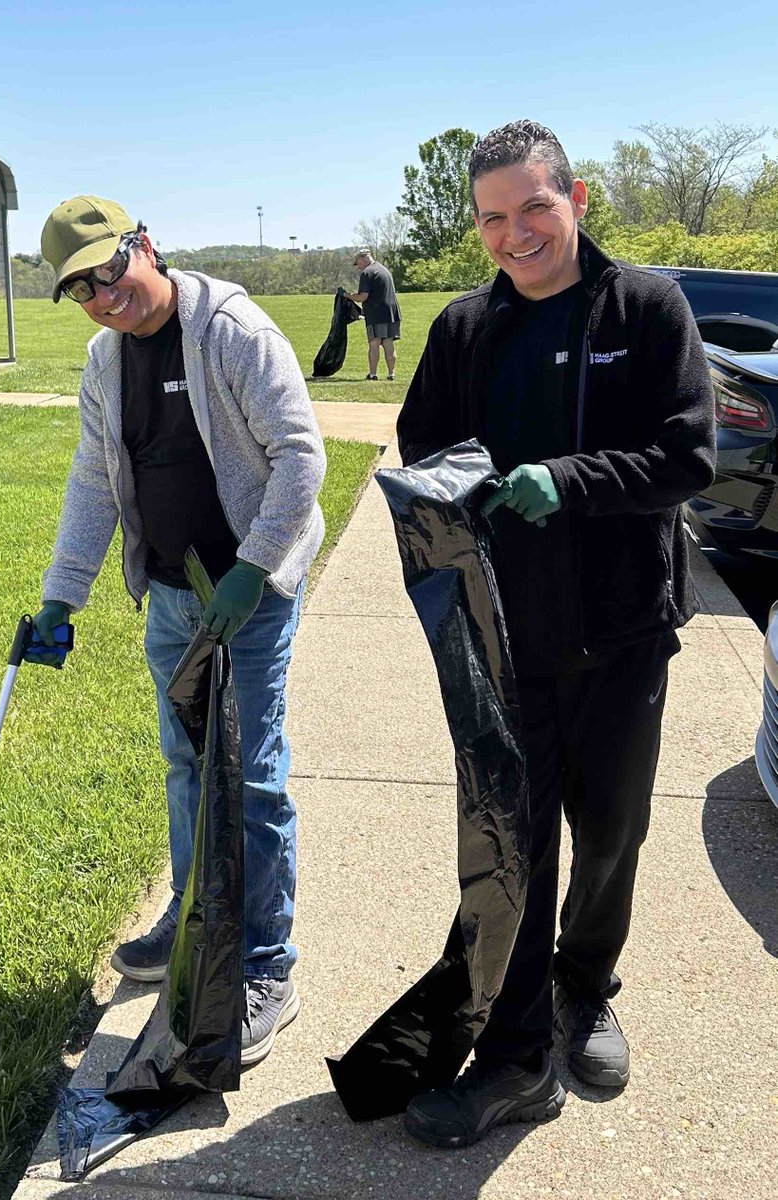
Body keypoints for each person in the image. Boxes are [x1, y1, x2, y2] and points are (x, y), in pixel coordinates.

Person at [396, 121, 715, 1148]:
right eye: (492, 217)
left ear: (573, 196)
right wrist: (466, 484)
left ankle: (587, 985)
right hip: (505, 645)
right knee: (514, 846)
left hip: (624, 634)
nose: (514, 233)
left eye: (533, 206)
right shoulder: (463, 329)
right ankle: (519, 1050)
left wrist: (567, 483)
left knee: (612, 834)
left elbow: (687, 456)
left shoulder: (647, 307)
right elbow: (421, 442)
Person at [33, 196, 326, 1067]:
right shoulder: (104, 359)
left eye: (109, 269)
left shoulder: (230, 327)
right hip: (171, 594)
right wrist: (62, 596)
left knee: (253, 775)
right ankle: (191, 914)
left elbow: (300, 455)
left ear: (145, 246)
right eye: (80, 286)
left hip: (252, 591)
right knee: (185, 762)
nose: (103, 293)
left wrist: (257, 564)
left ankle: (268, 961)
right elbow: (94, 480)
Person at [346, 249, 401, 380]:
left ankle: (373, 374)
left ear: (363, 258)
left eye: (357, 263)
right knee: (388, 343)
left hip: (377, 314)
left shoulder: (367, 273)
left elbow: (362, 297)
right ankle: (391, 374)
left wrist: (346, 295)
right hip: (392, 312)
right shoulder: (384, 270)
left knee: (374, 343)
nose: (358, 267)